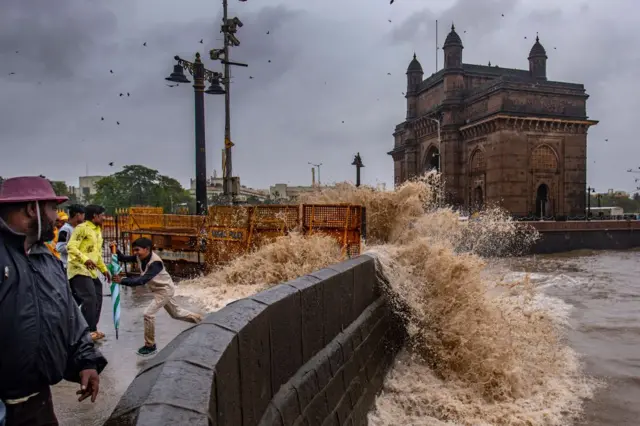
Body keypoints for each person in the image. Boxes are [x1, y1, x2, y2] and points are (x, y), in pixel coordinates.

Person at [0, 176, 107, 426]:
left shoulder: (47, 261)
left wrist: (86, 361)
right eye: (51, 208)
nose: (57, 216)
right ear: (31, 208)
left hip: (39, 403)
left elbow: (70, 315)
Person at [113, 237, 203, 356]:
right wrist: (115, 250)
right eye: (134, 250)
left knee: (148, 314)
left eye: (137, 250)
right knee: (176, 314)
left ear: (147, 249)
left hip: (164, 291)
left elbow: (142, 280)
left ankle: (150, 345)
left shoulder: (156, 263)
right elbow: (123, 258)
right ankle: (202, 320)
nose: (135, 253)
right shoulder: (140, 257)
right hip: (159, 290)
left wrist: (122, 280)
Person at [67, 205, 111, 342]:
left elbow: (96, 254)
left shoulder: (97, 231)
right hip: (78, 268)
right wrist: (85, 259)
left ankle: (92, 329)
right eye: (102, 215)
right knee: (90, 299)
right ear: (94, 216)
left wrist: (104, 270)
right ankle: (83, 332)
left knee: (97, 297)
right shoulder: (82, 228)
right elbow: (71, 247)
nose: (104, 217)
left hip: (90, 272)